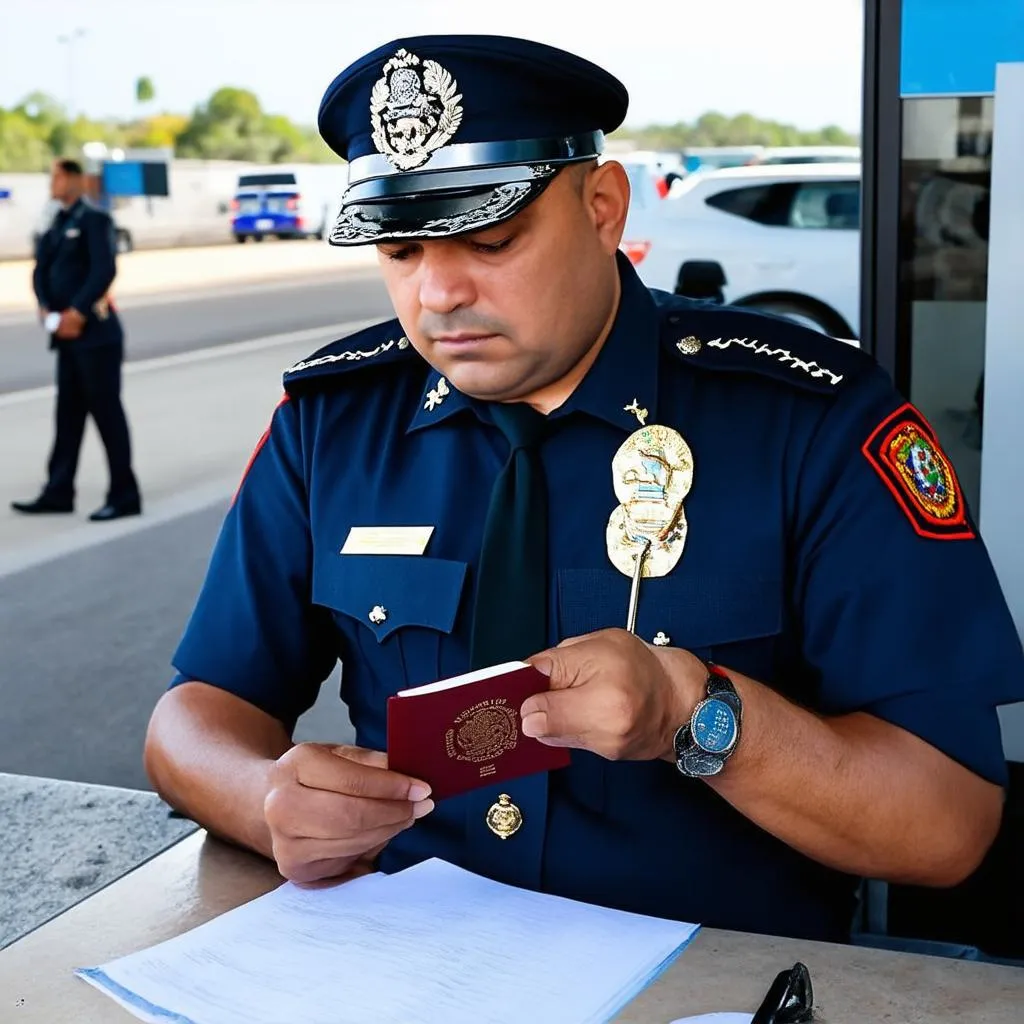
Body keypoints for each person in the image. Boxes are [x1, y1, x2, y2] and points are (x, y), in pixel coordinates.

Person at [144, 36, 1024, 942]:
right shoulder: (334, 424)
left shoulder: (810, 422)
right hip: (408, 963)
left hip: (707, 982)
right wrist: (261, 799)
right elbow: (196, 713)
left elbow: (948, 824)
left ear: (603, 207)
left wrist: (699, 714)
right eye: (400, 251)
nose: (439, 293)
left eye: (490, 238)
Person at [12, 159, 141, 522]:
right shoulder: (55, 222)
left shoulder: (94, 220)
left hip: (95, 336)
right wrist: (44, 307)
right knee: (67, 416)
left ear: (73, 179)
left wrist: (78, 312)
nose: (51, 183)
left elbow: (104, 269)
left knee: (106, 414)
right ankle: (58, 491)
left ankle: (124, 494)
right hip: (65, 337)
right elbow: (40, 269)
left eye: (56, 176)